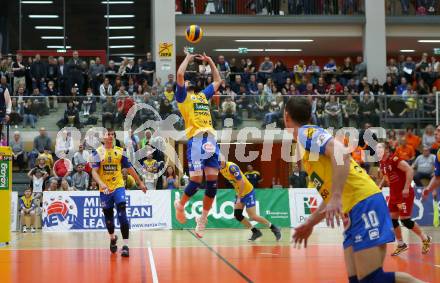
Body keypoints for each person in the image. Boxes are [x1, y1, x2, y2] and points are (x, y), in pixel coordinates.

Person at [284, 96, 422, 283]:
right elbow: (331, 197)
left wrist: (337, 196)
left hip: (364, 201)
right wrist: (310, 222)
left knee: (372, 279)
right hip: (354, 208)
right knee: (357, 280)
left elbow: (340, 151)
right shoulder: (307, 147)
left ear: (286, 116)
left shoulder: (304, 133)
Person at [173, 52, 221, 238]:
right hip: (196, 140)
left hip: (211, 141)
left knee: (212, 185)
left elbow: (217, 81)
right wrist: (188, 58)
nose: (186, 82)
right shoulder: (183, 98)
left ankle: (202, 219)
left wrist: (210, 62)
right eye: (184, 83)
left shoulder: (202, 96)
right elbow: (179, 75)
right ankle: (181, 204)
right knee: (196, 180)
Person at [91, 129, 146, 257]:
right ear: (103, 138)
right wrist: (101, 183)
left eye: (112, 135)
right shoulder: (97, 152)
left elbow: (130, 168)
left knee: (122, 212)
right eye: (108, 134)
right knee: (109, 219)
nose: (110, 136)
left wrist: (140, 182)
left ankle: (126, 245)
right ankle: (112, 238)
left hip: (118, 186)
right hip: (104, 189)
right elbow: (94, 172)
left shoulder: (120, 151)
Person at [377, 142, 432, 256]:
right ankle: (401, 244)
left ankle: (425, 238)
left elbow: (410, 170)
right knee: (392, 220)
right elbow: (386, 176)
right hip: (394, 195)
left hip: (403, 194)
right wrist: (380, 186)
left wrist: (406, 188)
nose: (377, 150)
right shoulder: (382, 162)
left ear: (386, 150)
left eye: (379, 148)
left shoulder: (395, 159)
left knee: (405, 220)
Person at [220, 161, 281, 241]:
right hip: (240, 192)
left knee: (253, 216)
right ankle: (255, 232)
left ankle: (274, 227)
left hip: (248, 192)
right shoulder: (220, 169)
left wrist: (238, 197)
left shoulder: (232, 167)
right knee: (237, 215)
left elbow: (242, 182)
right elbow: (235, 182)